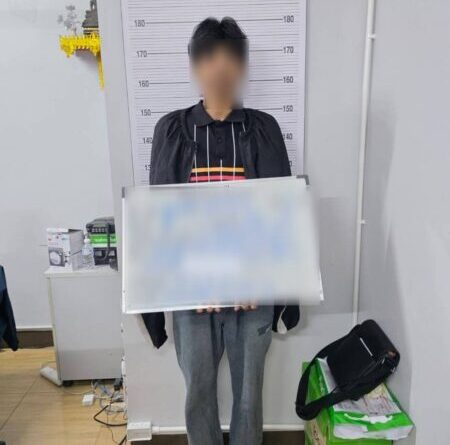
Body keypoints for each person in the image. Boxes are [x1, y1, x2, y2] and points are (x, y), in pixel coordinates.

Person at [142, 17, 300, 445]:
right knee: (198, 392)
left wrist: (260, 281)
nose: (220, 67)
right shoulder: (172, 130)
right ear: (195, 65)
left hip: (252, 290)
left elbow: (278, 215)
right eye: (209, 57)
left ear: (242, 66)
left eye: (231, 57)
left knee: (249, 395)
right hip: (192, 292)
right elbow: (161, 218)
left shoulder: (263, 129)